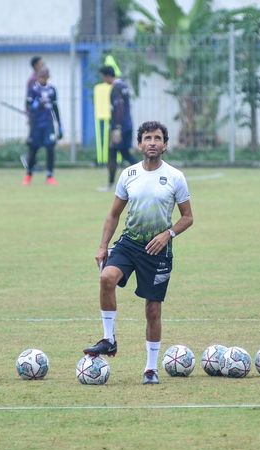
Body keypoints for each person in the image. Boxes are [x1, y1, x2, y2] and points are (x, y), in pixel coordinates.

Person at [83, 121, 194, 385]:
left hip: (158, 251)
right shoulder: (129, 175)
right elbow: (113, 214)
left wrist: (168, 234)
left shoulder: (175, 177)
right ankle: (109, 339)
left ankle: (150, 369)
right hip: (130, 243)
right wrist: (102, 245)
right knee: (106, 278)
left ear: (165, 145)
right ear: (140, 144)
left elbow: (188, 217)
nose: (153, 142)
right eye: (147, 138)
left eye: (157, 138)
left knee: (153, 310)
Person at [98, 65, 137, 192]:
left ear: (107, 76)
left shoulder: (116, 88)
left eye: (103, 77)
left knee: (112, 153)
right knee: (125, 153)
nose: (104, 80)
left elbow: (119, 108)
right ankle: (147, 174)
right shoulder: (124, 85)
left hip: (119, 127)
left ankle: (110, 184)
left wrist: (117, 128)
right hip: (127, 124)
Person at [23, 67, 63, 185]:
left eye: (44, 77)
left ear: (48, 77)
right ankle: (28, 175)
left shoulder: (52, 90)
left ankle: (49, 176)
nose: (42, 79)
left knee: (50, 148)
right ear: (38, 77)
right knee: (33, 149)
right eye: (40, 76)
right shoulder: (33, 89)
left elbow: (55, 108)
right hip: (36, 124)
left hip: (48, 124)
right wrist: (37, 104)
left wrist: (59, 125)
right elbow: (29, 106)